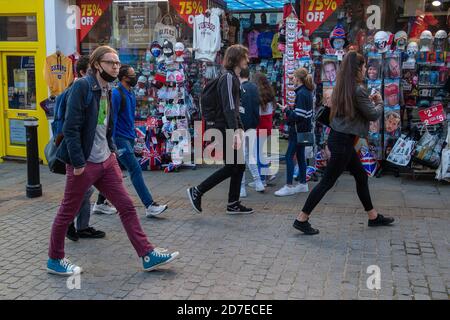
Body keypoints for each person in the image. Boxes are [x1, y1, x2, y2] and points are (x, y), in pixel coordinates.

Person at [47, 46, 178, 276]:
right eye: (111, 63)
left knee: (126, 206)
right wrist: (78, 163)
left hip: (105, 160)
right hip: (84, 164)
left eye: (118, 63)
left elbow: (107, 124)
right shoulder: (82, 86)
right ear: (98, 64)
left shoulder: (109, 89)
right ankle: (55, 259)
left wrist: (112, 150)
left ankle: (147, 254)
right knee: (67, 212)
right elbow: (71, 128)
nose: (116, 67)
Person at [293, 51, 395, 235]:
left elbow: (354, 109)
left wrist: (368, 103)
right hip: (343, 143)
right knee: (326, 182)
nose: (365, 70)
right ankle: (301, 218)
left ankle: (373, 216)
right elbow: (372, 114)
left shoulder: (341, 87)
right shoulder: (358, 89)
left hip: (341, 140)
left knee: (361, 177)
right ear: (357, 69)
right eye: (364, 67)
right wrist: (379, 103)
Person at [187, 44, 253, 215]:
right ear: (237, 58)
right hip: (225, 129)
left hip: (227, 128)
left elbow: (234, 108)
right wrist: (236, 131)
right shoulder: (229, 78)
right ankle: (198, 190)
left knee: (238, 166)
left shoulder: (232, 78)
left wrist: (239, 128)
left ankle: (233, 203)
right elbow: (229, 107)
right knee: (233, 166)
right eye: (245, 56)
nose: (248, 59)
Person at [112, 64, 168, 217]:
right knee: (135, 169)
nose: (134, 77)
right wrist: (111, 142)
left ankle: (99, 203)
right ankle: (149, 205)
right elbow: (112, 120)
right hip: (119, 138)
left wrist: (135, 136)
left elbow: (129, 117)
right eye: (131, 74)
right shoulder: (116, 94)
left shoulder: (130, 93)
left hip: (129, 137)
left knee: (111, 172)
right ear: (123, 77)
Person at [64, 55, 107, 241]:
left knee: (86, 191)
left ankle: (82, 226)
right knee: (78, 193)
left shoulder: (99, 89)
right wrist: (77, 159)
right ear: (84, 72)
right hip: (80, 153)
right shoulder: (79, 88)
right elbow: (67, 125)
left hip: (94, 150)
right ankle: (68, 224)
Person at [275, 68, 313, 197]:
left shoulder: (301, 93)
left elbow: (298, 116)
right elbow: (305, 114)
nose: (292, 80)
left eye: (294, 78)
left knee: (289, 156)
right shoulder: (307, 91)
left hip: (297, 131)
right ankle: (303, 184)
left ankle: (289, 185)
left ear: (298, 79)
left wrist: (286, 110)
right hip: (304, 130)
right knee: (301, 156)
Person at [238, 67, 265, 197]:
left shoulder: (238, 89)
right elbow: (257, 107)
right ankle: (258, 182)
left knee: (241, 158)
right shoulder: (254, 88)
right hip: (252, 126)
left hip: (241, 127)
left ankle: (242, 188)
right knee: (250, 156)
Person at [253, 72, 277, 187]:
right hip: (267, 126)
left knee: (258, 154)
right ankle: (268, 173)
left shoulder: (257, 96)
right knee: (260, 152)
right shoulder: (270, 95)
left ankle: (262, 179)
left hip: (259, 127)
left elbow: (255, 113)